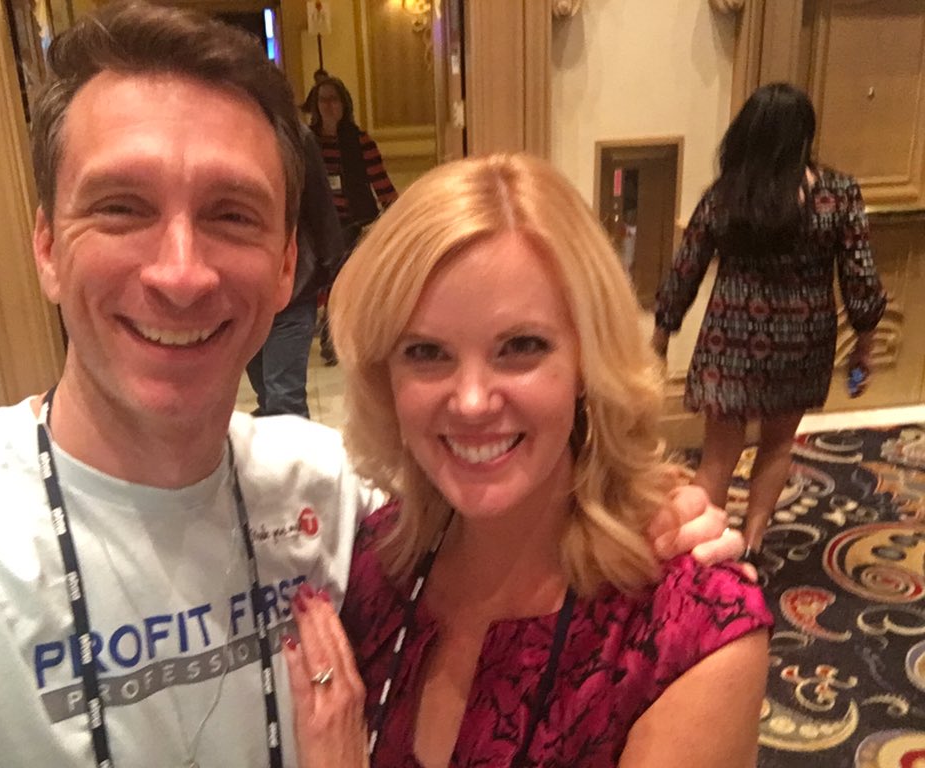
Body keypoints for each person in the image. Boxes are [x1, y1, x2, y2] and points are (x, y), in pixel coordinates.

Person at [0, 4, 743, 766]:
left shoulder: (330, 497)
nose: (181, 273)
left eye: (231, 214)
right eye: (122, 207)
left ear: (285, 266)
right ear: (47, 245)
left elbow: (525, 499)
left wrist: (658, 506)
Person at [283, 154, 772, 768]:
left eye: (520, 346)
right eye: (426, 352)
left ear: (587, 364)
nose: (470, 401)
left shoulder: (689, 629)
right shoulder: (374, 568)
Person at [651, 83, 887, 562]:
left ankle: (701, 551)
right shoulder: (838, 194)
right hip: (803, 340)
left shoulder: (726, 195)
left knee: (717, 456)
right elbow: (861, 277)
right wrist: (864, 344)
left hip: (730, 336)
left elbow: (685, 268)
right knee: (778, 446)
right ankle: (754, 544)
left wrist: (660, 336)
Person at [246, 124, 345, 417]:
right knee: (266, 394)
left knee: (283, 396)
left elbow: (321, 207)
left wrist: (334, 273)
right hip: (245, 290)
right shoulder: (226, 130)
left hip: (294, 287)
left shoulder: (296, 137)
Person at [309, 76, 398, 365]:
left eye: (334, 99)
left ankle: (331, 338)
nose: (328, 106)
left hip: (353, 222)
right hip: (316, 223)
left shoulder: (360, 141)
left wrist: (398, 216)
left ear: (344, 104)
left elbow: (380, 182)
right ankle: (331, 333)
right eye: (323, 100)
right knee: (325, 280)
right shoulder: (308, 142)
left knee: (340, 279)